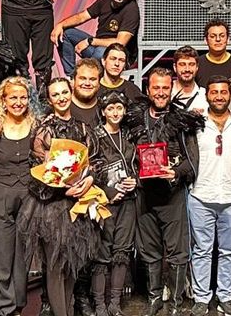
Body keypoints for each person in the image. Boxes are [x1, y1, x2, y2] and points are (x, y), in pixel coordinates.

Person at [21, 77, 102, 316]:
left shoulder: (83, 127)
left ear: (71, 92)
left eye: (64, 92)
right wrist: (62, 189)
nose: (61, 98)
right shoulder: (43, 130)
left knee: (71, 266)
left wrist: (89, 179)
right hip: (53, 206)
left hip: (79, 204)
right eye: (55, 94)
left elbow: (95, 161)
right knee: (56, 267)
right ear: (49, 100)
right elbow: (36, 170)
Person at [126, 68, 204, 316]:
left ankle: (177, 304)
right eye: (156, 87)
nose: (160, 92)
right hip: (144, 194)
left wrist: (176, 172)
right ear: (148, 90)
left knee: (178, 252)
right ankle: (154, 299)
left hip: (172, 195)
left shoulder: (181, 120)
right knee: (149, 250)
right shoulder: (135, 118)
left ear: (171, 89)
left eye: (165, 88)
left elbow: (193, 160)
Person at [189, 76, 231, 316]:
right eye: (214, 92)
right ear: (207, 96)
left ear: (229, 95)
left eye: (223, 92)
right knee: (201, 251)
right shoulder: (196, 123)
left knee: (229, 251)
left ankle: (226, 296)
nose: (219, 97)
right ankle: (201, 298)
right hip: (201, 195)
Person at [0, 76, 36, 316]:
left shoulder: (35, 125)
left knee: (23, 255)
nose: (18, 102)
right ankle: (2, 309)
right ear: (3, 100)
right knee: (0, 255)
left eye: (23, 97)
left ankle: (17, 305)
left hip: (28, 197)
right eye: (13, 97)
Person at [91, 91, 140, 316]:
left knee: (122, 252)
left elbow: (139, 165)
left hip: (128, 201)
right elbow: (88, 171)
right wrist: (109, 192)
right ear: (103, 112)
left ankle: (115, 303)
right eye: (110, 108)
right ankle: (100, 305)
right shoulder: (95, 137)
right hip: (104, 202)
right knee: (102, 254)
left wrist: (135, 180)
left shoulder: (129, 135)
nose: (115, 112)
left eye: (119, 108)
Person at [52, 0, 144, 78]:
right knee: (65, 33)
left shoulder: (132, 9)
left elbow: (120, 43)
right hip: (96, 48)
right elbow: (82, 16)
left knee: (101, 53)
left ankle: (90, 77)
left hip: (117, 54)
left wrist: (90, 41)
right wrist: (60, 25)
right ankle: (72, 77)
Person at [197, 19, 231, 87]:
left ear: (228, 39)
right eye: (213, 36)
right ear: (206, 40)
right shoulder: (198, 63)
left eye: (222, 36)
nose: (218, 39)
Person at [172, 46, 209, 113]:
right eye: (182, 64)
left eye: (191, 64)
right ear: (175, 67)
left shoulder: (205, 95)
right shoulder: (166, 93)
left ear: (197, 67)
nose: (187, 69)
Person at [69, 59, 104, 126]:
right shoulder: (62, 107)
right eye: (82, 78)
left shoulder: (105, 108)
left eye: (92, 79)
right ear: (73, 80)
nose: (87, 83)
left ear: (99, 83)